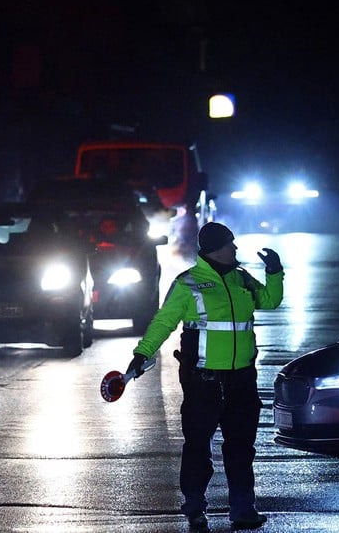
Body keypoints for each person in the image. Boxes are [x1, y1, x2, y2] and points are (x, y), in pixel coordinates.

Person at [125, 222, 283, 532]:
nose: (235, 249)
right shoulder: (188, 283)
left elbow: (269, 301)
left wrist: (275, 272)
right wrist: (142, 354)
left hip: (241, 379)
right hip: (203, 381)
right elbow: (163, 322)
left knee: (241, 447)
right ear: (214, 249)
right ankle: (195, 507)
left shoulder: (242, 280)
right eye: (229, 244)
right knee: (198, 446)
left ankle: (243, 509)